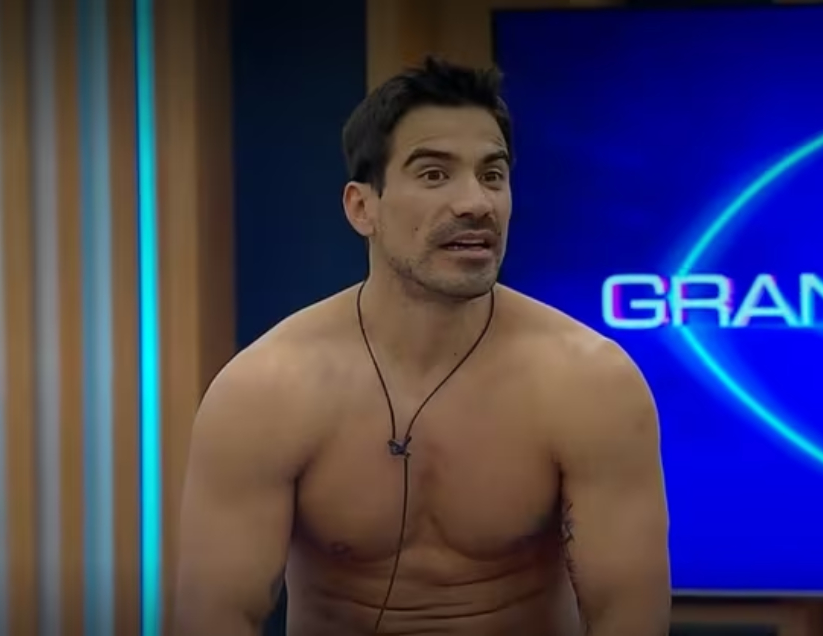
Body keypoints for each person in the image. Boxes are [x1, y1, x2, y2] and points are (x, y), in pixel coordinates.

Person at [174, 57, 671, 636]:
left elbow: (627, 617)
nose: (476, 203)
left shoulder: (590, 382)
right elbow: (216, 615)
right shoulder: (266, 390)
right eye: (435, 175)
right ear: (362, 208)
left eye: (492, 175)